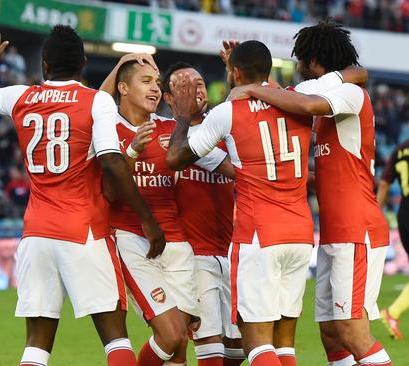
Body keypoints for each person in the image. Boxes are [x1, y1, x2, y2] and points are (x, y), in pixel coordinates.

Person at [0, 26, 165, 366]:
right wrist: (148, 219)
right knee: (115, 337)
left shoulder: (21, 97)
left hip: (36, 234)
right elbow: (112, 162)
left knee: (36, 345)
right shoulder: (96, 100)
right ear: (84, 63)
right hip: (83, 230)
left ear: (45, 64)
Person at [238, 20, 392, 366]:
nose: (297, 65)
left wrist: (254, 90)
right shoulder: (326, 101)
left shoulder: (349, 95)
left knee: (353, 330)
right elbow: (295, 102)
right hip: (335, 232)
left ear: (313, 59)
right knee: (331, 333)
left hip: (356, 229)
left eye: (300, 59)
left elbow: (305, 104)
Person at [167, 40, 315, 366]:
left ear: (234, 73)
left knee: (257, 343)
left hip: (259, 235)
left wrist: (180, 116)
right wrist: (238, 74)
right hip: (301, 234)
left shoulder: (228, 113)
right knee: (284, 343)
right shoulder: (296, 100)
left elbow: (176, 157)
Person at [99, 55, 229, 366]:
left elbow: (224, 162)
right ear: (123, 88)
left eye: (157, 83)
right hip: (133, 240)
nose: (155, 89)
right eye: (146, 82)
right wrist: (132, 151)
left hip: (178, 245)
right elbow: (109, 193)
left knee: (179, 343)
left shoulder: (173, 129)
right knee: (170, 335)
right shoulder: (107, 128)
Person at [162, 62, 244, 366]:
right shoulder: (166, 137)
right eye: (183, 86)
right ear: (169, 99)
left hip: (231, 251)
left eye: (198, 83)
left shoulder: (222, 129)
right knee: (209, 345)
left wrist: (232, 72)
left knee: (238, 348)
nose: (194, 89)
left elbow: (239, 109)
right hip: (193, 255)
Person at [378, 139, 409, 341]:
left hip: (405, 213)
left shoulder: (400, 149)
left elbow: (384, 183)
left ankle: (393, 314)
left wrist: (373, 213)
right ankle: (392, 313)